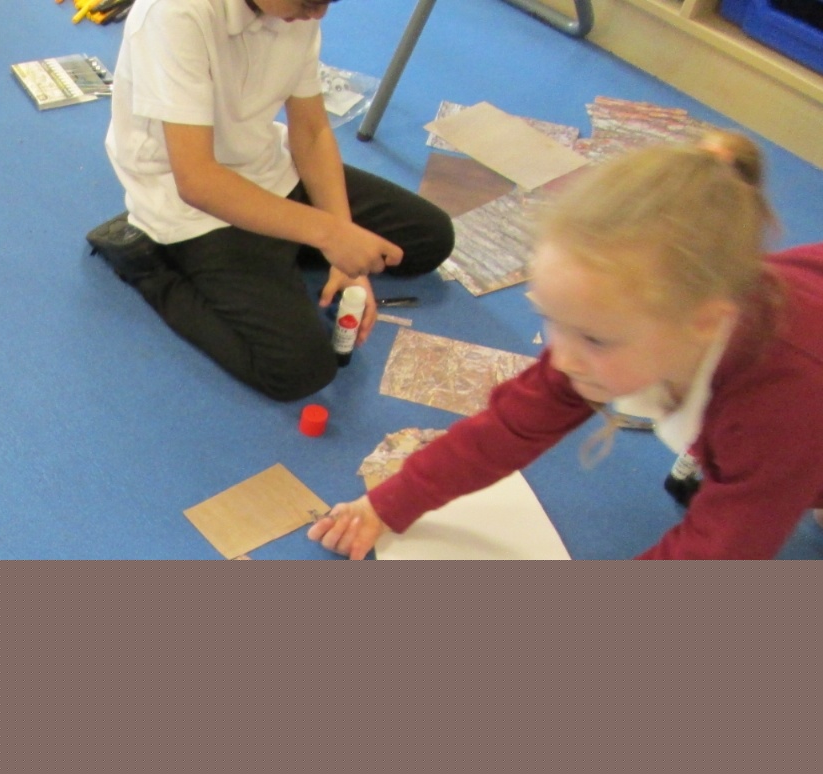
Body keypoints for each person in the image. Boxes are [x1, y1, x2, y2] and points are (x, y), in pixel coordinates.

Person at [309, 131, 823, 561]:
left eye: (593, 338)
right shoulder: (611, 318)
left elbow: (714, 554)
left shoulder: (780, 409)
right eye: (553, 321)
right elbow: (508, 427)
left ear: (703, 325)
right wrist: (389, 503)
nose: (563, 357)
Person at [87, 0, 454, 403]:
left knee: (430, 238)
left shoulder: (291, 10)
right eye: (310, 2)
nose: (318, 15)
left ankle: (280, 251)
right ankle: (147, 264)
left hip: (265, 166)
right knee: (300, 371)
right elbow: (197, 180)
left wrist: (341, 240)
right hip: (189, 205)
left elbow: (311, 132)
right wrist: (331, 234)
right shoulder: (174, 14)